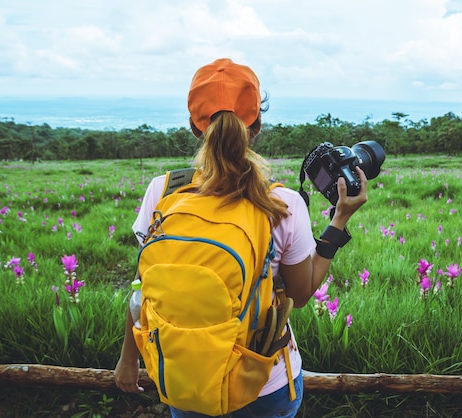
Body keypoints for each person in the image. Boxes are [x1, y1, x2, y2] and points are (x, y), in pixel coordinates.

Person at [114, 58, 368, 418]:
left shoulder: (163, 191)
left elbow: (143, 286)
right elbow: (300, 293)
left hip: (183, 376)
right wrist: (339, 219)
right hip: (263, 383)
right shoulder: (282, 202)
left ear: (193, 126)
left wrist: (127, 359)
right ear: (257, 125)